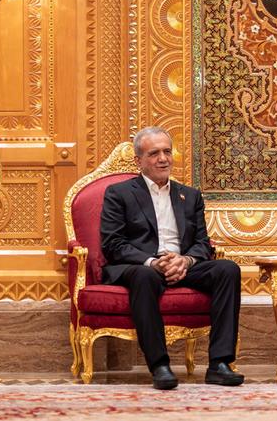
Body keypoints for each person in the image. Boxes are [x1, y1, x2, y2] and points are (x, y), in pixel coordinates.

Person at [100, 126, 244, 390]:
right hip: (142, 266)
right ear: (139, 161)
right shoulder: (118, 193)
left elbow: (202, 243)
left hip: (182, 264)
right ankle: (160, 366)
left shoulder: (190, 195)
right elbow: (113, 244)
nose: (163, 159)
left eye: (167, 152)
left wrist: (185, 261)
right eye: (154, 153)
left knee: (227, 269)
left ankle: (220, 364)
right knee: (144, 276)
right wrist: (153, 262)